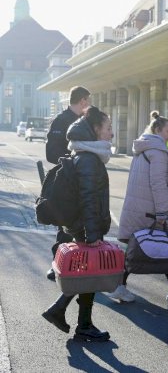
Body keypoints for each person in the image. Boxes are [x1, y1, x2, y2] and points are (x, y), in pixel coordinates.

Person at [41, 106, 113, 342]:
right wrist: (93, 235)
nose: (111, 134)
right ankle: (78, 322)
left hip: (81, 224)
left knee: (86, 274)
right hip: (85, 226)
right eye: (108, 128)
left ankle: (69, 316)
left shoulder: (83, 154)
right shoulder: (89, 159)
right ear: (94, 129)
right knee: (89, 273)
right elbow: (89, 199)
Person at [108, 113, 168, 303]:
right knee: (166, 244)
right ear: (158, 130)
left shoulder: (143, 148)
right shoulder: (158, 151)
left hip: (139, 205)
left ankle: (120, 286)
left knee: (138, 246)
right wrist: (162, 212)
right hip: (152, 208)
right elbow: (158, 183)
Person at [44, 86, 91, 281]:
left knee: (82, 225)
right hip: (65, 181)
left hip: (83, 180)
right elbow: (51, 153)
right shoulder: (61, 120)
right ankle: (57, 263)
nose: (88, 105)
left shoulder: (86, 121)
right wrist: (71, 159)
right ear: (82, 101)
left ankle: (78, 264)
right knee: (65, 223)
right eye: (87, 101)